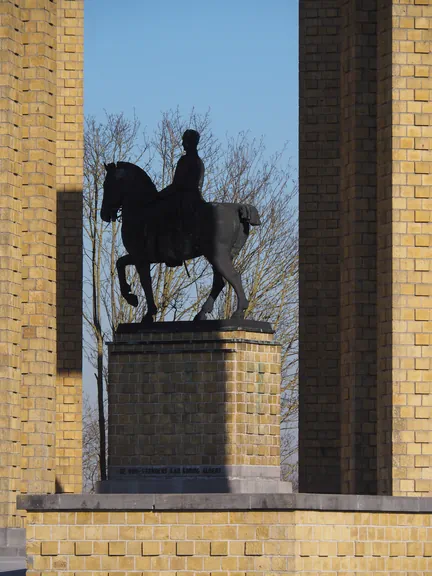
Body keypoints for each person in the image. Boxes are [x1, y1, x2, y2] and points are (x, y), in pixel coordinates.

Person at [159, 129, 205, 265]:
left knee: (163, 215)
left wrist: (159, 195)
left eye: (185, 141)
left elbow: (177, 184)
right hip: (192, 197)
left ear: (190, 142)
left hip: (185, 198)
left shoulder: (186, 160)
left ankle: (171, 251)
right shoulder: (198, 161)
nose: (182, 143)